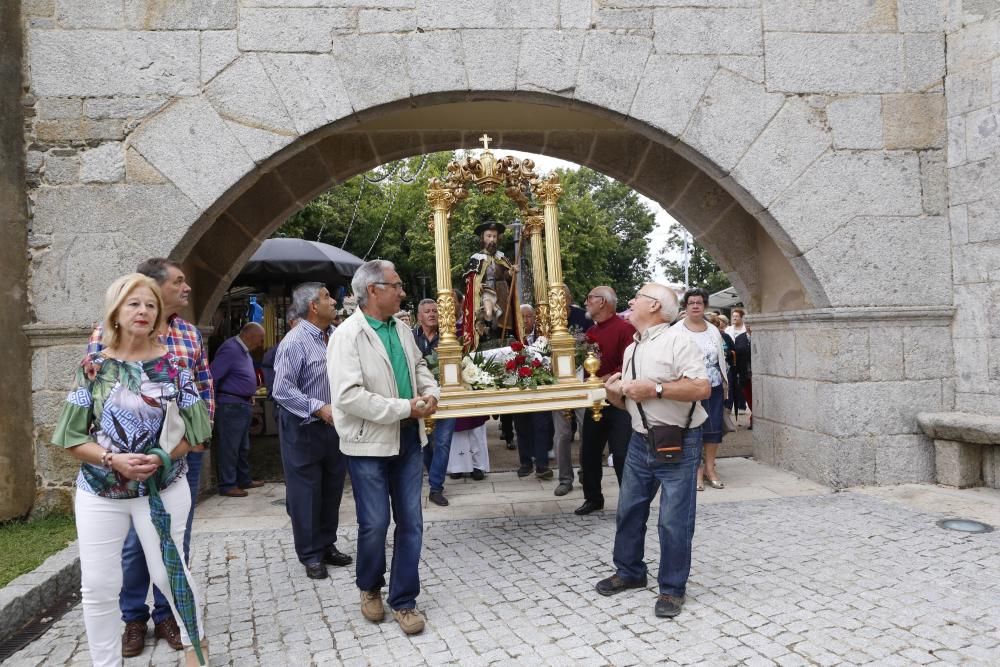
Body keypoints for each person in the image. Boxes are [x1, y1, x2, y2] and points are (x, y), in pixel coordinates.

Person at [56, 274, 211, 666]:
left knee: (169, 574)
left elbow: (198, 430)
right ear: (116, 312)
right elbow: (72, 436)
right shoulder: (93, 367)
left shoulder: (175, 366)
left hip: (163, 488)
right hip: (101, 492)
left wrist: (162, 456)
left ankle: (197, 652)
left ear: (159, 315)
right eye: (133, 304)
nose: (143, 311)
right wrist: (112, 459)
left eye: (150, 305)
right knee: (99, 586)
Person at [328, 260, 440, 636]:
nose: (403, 292)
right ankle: (370, 587)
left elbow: (419, 366)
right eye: (397, 285)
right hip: (367, 444)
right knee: (374, 523)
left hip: (408, 438)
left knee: (411, 522)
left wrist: (430, 392)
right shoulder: (347, 336)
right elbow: (348, 397)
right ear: (373, 290)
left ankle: (404, 600)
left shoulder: (403, 329)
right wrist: (404, 408)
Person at [597, 282, 710, 619]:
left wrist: (655, 387)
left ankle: (672, 589)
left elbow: (702, 387)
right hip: (639, 439)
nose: (630, 301)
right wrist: (615, 394)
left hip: (679, 440)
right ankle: (630, 571)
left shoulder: (679, 340)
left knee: (674, 521)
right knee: (629, 510)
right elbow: (629, 401)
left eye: (638, 297)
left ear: (656, 307)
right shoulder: (634, 347)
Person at [272, 283, 352, 580]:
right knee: (305, 492)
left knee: (332, 489)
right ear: (313, 307)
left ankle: (326, 543)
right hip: (304, 427)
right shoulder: (294, 342)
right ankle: (310, 554)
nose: (334, 301)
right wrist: (319, 408)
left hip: (334, 426)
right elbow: (281, 390)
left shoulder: (334, 337)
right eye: (327, 297)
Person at [575, 286, 637, 516]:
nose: (586, 301)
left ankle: (628, 502)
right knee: (589, 451)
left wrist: (607, 378)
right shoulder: (590, 331)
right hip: (595, 400)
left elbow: (629, 364)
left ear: (603, 302)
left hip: (618, 401)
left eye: (590, 297)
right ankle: (593, 498)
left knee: (621, 453)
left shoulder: (626, 329)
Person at [676, 288, 729, 491]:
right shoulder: (676, 330)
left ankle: (710, 469)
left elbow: (720, 359)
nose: (696, 306)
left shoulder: (713, 330)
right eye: (691, 303)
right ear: (686, 306)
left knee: (713, 429)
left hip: (712, 386)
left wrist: (725, 384)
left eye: (699, 302)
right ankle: (695, 470)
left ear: (704, 305)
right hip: (688, 387)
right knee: (692, 429)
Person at [210, 322, 266, 498]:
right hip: (230, 405)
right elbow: (213, 375)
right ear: (249, 335)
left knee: (242, 447)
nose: (262, 343)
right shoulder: (231, 349)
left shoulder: (242, 350)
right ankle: (228, 484)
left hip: (242, 404)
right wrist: (213, 402)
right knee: (230, 447)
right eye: (260, 338)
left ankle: (243, 479)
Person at [413, 298, 457, 507]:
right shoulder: (410, 337)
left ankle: (436, 487)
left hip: (446, 395)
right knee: (426, 443)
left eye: (435, 311)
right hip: (419, 397)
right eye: (427, 311)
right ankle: (434, 475)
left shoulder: (448, 338)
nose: (432, 314)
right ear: (419, 316)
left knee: (443, 441)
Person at [462, 220, 521, 352]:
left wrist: (510, 272)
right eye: (489, 236)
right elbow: (471, 279)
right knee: (488, 312)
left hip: (501, 291)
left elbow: (506, 274)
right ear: (482, 238)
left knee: (506, 313)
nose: (492, 240)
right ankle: (486, 334)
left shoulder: (502, 258)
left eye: (494, 237)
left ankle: (504, 333)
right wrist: (477, 285)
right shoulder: (476, 259)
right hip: (487, 290)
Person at [262, 311, 300, 397]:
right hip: (287, 402)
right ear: (291, 322)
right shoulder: (281, 347)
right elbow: (268, 369)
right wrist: (273, 393)